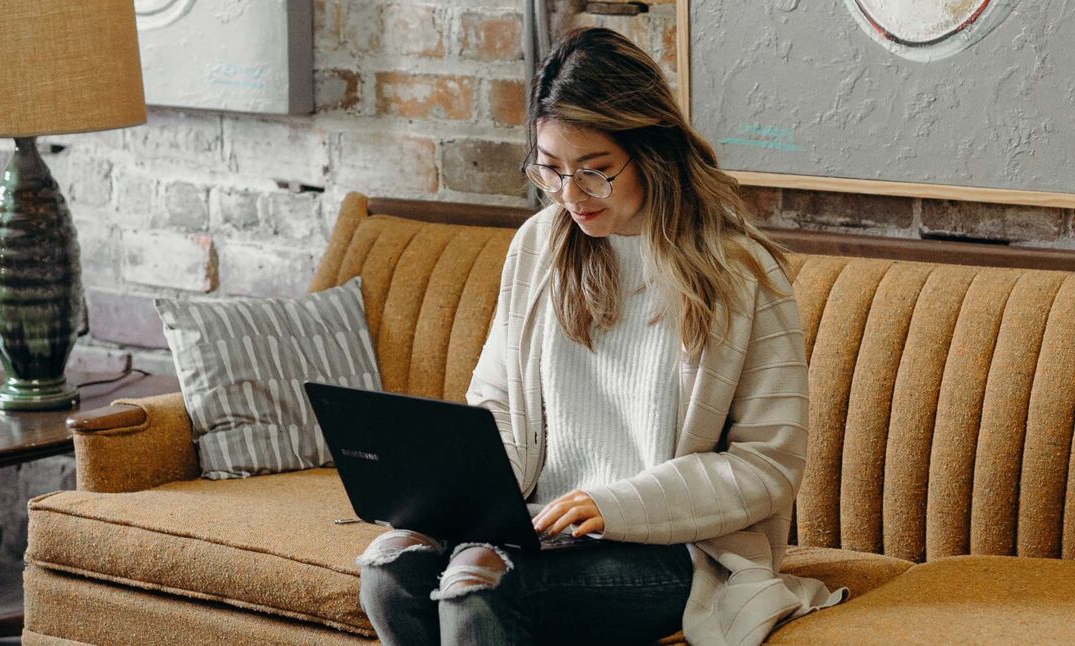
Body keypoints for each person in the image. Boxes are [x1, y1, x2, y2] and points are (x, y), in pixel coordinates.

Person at [355, 27, 845, 646]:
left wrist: (616, 505)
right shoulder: (539, 244)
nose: (570, 195)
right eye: (551, 170)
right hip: (536, 524)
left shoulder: (741, 273)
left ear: (653, 151)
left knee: (477, 591)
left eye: (595, 172)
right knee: (389, 569)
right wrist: (464, 499)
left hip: (673, 547)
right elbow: (498, 405)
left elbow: (766, 466)